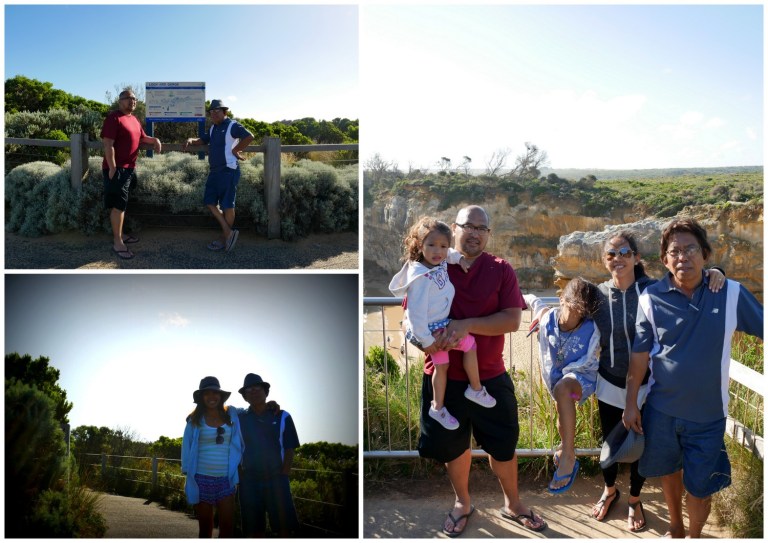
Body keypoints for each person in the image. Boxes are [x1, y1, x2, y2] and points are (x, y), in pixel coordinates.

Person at [623, 218, 762, 538]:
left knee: (701, 487)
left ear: (705, 255)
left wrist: (721, 277)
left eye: (691, 249)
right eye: (675, 251)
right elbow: (640, 355)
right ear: (665, 259)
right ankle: (676, 528)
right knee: (669, 473)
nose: (683, 256)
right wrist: (631, 404)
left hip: (709, 415)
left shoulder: (729, 294)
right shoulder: (650, 298)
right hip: (661, 411)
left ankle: (695, 536)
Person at [417, 204, 547, 537]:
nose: (475, 232)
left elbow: (511, 319)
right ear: (454, 228)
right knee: (453, 448)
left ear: (488, 234)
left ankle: (513, 503)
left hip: (489, 376)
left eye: (482, 228)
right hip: (443, 377)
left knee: (503, 446)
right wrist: (422, 341)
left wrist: (467, 325)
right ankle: (463, 503)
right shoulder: (432, 265)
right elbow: (412, 315)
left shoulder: (501, 269)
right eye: (468, 226)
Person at [591, 230, 725, 531]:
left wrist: (717, 272)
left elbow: (686, 279)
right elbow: (570, 305)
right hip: (609, 381)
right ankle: (610, 491)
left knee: (642, 443)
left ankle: (635, 498)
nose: (618, 259)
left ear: (637, 257)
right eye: (611, 254)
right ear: (603, 260)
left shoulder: (652, 289)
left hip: (648, 384)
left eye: (625, 252)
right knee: (609, 443)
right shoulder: (598, 294)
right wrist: (545, 311)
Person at [389, 217, 497, 431]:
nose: (438, 251)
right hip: (429, 329)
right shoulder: (420, 277)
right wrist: (427, 341)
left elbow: (450, 254)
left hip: (437, 324)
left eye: (443, 246)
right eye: (431, 245)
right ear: (420, 245)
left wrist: (461, 260)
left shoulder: (438, 260)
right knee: (465, 347)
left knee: (445, 363)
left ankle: (440, 407)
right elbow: (416, 314)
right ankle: (471, 390)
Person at [524, 277, 601, 494]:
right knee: (562, 412)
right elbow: (531, 300)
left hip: (583, 374)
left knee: (563, 390)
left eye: (581, 310)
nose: (574, 316)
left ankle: (568, 456)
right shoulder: (548, 317)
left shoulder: (592, 327)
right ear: (561, 300)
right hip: (558, 379)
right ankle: (564, 449)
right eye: (571, 307)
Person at [183, 99, 254, 252]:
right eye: (211, 112)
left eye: (217, 111)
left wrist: (236, 151)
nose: (214, 114)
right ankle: (228, 233)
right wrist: (190, 140)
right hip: (215, 171)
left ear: (224, 112)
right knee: (209, 201)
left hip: (229, 170)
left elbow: (249, 136)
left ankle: (224, 238)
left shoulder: (232, 125)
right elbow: (201, 140)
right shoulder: (214, 128)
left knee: (227, 205)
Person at [101, 88, 162, 260]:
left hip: (129, 168)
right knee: (118, 205)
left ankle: (122, 233)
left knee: (123, 203)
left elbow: (142, 138)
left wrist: (155, 140)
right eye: (128, 98)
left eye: (134, 99)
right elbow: (108, 144)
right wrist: (113, 168)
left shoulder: (134, 119)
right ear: (120, 101)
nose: (132, 101)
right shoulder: (114, 118)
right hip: (117, 169)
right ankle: (118, 242)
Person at [237, 373, 300, 537]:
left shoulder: (282, 416)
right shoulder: (239, 418)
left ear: (266, 392)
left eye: (258, 387)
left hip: (276, 479)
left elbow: (289, 448)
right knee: (253, 529)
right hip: (249, 481)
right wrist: (240, 474)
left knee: (283, 527)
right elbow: (234, 447)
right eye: (248, 389)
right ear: (244, 396)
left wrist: (284, 474)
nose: (253, 391)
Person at [181, 376, 244, 538]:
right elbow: (186, 446)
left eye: (215, 393)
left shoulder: (231, 415)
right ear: (201, 397)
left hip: (226, 479)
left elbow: (250, 411)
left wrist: (270, 404)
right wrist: (187, 472)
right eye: (207, 393)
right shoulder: (194, 420)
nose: (212, 397)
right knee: (205, 528)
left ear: (221, 396)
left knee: (227, 527)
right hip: (201, 479)